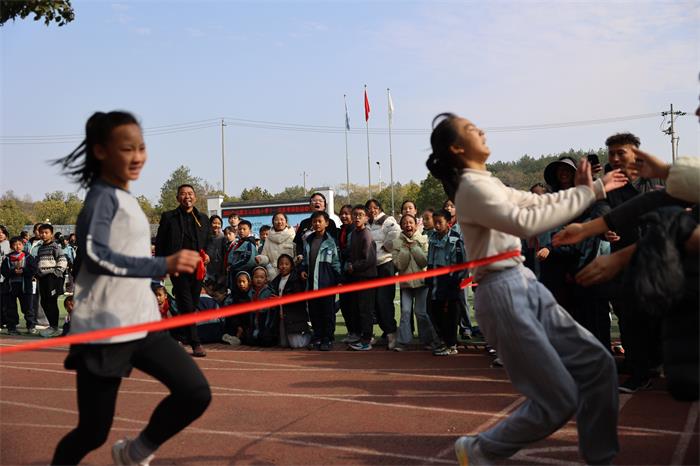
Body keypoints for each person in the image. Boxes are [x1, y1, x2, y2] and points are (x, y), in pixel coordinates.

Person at [426, 112, 625, 466]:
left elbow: (537, 203)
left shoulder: (488, 182)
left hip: (522, 280)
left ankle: (601, 458)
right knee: (558, 400)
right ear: (457, 148)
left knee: (598, 365)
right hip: (501, 293)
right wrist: (586, 192)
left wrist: (591, 190)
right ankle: (478, 450)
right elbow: (525, 222)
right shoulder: (470, 189)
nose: (481, 130)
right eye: (471, 129)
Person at [50, 110, 211, 465]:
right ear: (101, 151)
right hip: (105, 329)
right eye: (127, 148)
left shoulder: (126, 198)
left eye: (141, 147)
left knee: (195, 392)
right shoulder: (101, 198)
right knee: (92, 431)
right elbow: (95, 255)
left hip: (142, 322)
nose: (137, 156)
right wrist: (162, 264)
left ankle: (134, 453)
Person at [155, 184, 211, 358]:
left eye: (190, 193)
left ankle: (180, 334)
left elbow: (208, 240)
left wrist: (207, 254)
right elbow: (160, 242)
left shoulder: (203, 218)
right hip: (178, 266)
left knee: (192, 304)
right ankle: (195, 343)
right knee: (186, 302)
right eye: (183, 194)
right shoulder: (169, 217)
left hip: (198, 267)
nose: (187, 196)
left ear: (195, 197)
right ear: (178, 198)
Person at [392, 213, 437, 351]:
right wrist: (405, 249)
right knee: (405, 311)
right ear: (401, 226)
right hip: (406, 284)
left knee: (421, 312)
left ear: (416, 225)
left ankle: (429, 340)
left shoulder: (423, 239)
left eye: (411, 222)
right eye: (405, 223)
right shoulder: (397, 243)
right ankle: (403, 342)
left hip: (421, 283)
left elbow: (424, 262)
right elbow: (399, 265)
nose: (408, 225)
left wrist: (414, 247)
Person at [426, 209, 465, 356]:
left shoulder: (456, 240)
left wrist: (455, 281)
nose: (436, 225)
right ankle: (443, 340)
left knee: (451, 314)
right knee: (433, 310)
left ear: (448, 223)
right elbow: (430, 258)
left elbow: (462, 264)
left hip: (450, 281)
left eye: (439, 222)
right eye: (434, 222)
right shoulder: (432, 238)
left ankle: (451, 344)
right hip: (435, 281)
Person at [300, 210, 341, 351]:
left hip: (327, 284)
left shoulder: (331, 242)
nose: (317, 224)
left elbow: (336, 263)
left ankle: (327, 339)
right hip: (312, 284)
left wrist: (338, 280)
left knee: (328, 312)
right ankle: (317, 337)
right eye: (314, 222)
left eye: (320, 221)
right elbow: (305, 260)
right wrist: (303, 270)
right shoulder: (308, 240)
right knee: (314, 312)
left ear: (326, 223)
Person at [365, 198, 401, 349]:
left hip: (386, 265)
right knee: (374, 303)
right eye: (369, 208)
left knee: (384, 301)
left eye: (375, 207)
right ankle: (386, 333)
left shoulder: (387, 220)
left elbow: (397, 233)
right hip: (372, 268)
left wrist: (387, 247)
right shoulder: (368, 224)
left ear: (379, 208)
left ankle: (392, 334)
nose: (372, 210)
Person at [346, 205, 378, 351]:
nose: (357, 217)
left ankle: (366, 340)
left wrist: (354, 266)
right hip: (357, 277)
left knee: (366, 310)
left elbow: (369, 260)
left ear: (366, 217)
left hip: (367, 278)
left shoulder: (366, 234)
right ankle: (363, 337)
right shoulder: (354, 233)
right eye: (355, 215)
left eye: (360, 215)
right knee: (358, 309)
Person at [269, 254, 312, 349]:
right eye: (281, 264)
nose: (283, 266)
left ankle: (310, 335)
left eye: (286, 264)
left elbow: (297, 298)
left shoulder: (296, 279)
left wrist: (280, 299)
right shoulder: (275, 281)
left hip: (294, 317)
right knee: (283, 344)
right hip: (281, 317)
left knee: (296, 345)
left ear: (291, 266)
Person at [36, 223, 68, 337]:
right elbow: (39, 263)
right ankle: (51, 326)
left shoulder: (55, 247)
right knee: (44, 302)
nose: (43, 235)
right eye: (41, 233)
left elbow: (63, 261)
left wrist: (55, 274)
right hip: (43, 278)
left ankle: (54, 327)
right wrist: (37, 273)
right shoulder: (40, 248)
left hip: (52, 278)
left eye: (46, 233)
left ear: (51, 234)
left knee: (51, 302)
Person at [1, 236, 37, 334]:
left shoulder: (28, 257)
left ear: (23, 245)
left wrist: (23, 271)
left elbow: (33, 269)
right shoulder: (7, 258)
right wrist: (13, 271)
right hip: (10, 287)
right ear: (11, 246)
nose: (17, 246)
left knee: (28, 307)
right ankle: (12, 328)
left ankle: (31, 326)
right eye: (15, 244)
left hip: (25, 287)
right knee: (11, 308)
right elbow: (3, 271)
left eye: (20, 244)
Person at [293, 192, 339, 256]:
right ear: (310, 206)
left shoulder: (330, 223)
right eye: (314, 201)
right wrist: (300, 254)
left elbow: (334, 242)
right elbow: (298, 242)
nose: (317, 202)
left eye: (320, 201)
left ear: (324, 206)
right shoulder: (304, 223)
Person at [243, 266, 279, 347]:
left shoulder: (269, 291)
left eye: (262, 277)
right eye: (256, 277)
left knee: (266, 340)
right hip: (254, 316)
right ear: (252, 279)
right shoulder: (251, 292)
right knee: (249, 340)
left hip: (264, 317)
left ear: (266, 279)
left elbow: (273, 309)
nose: (259, 279)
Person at [256, 212, 295, 280]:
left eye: (282, 219)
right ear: (273, 223)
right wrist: (261, 259)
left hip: (290, 273)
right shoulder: (269, 238)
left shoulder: (293, 236)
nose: (279, 222)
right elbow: (265, 256)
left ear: (286, 222)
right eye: (276, 220)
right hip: (273, 273)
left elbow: (297, 255)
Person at [226, 220, 259, 287]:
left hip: (244, 277)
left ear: (250, 231)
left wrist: (233, 267)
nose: (241, 231)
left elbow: (248, 261)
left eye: (244, 229)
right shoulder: (238, 243)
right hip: (234, 275)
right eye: (240, 229)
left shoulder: (249, 243)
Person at [205, 214, 227, 286]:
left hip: (221, 270)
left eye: (219, 223)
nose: (216, 225)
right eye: (214, 223)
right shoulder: (205, 237)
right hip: (208, 270)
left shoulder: (224, 238)